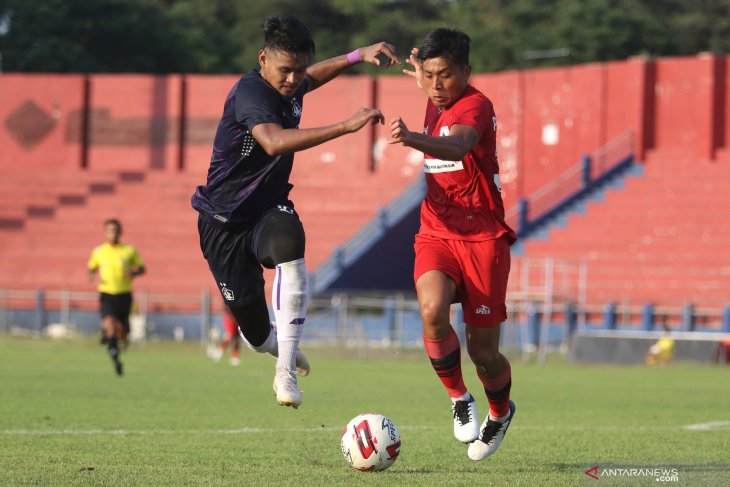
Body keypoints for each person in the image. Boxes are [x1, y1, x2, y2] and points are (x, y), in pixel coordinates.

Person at [191, 14, 398, 408]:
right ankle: (276, 346)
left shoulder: (292, 81)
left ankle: (285, 372)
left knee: (290, 244)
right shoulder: (251, 94)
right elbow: (271, 141)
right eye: (285, 70)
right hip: (223, 221)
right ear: (263, 58)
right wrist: (345, 126)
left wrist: (356, 55)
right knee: (255, 337)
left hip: (267, 209)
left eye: (298, 69)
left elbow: (312, 78)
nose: (292, 79)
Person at [389, 28, 517, 461]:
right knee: (431, 311)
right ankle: (459, 397)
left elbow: (459, 146)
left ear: (467, 71)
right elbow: (430, 84)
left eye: (445, 75)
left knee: (484, 352)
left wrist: (410, 138)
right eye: (429, 76)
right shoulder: (435, 94)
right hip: (437, 231)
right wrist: (421, 75)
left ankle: (499, 413)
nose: (436, 85)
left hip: (483, 239)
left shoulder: (476, 105)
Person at [87, 218, 146, 376]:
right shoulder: (99, 252)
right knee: (109, 324)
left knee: (123, 331)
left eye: (114, 230)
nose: (112, 233)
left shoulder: (129, 251)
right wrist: (91, 274)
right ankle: (115, 357)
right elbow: (91, 268)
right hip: (107, 294)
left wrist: (133, 273)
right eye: (109, 231)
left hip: (124, 295)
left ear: (120, 232)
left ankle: (114, 341)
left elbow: (142, 268)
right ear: (105, 233)